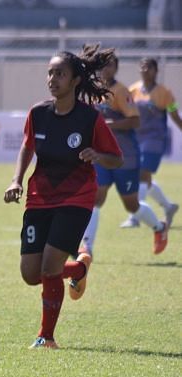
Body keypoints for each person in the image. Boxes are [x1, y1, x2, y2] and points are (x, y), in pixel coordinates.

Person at [4, 44, 123, 349]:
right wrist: (16, 180)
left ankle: (47, 337)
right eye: (50, 72)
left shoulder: (89, 119)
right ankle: (79, 268)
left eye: (60, 73)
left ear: (74, 81)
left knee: (48, 267)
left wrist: (97, 154)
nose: (53, 78)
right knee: (31, 274)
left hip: (76, 199)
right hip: (39, 197)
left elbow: (116, 159)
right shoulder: (38, 113)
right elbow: (27, 147)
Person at [80, 53, 168, 256]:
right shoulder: (92, 92)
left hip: (124, 158)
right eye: (103, 66)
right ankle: (87, 249)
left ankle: (159, 228)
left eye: (111, 66)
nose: (106, 70)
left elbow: (135, 121)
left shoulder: (121, 91)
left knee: (132, 206)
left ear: (116, 69)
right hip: (101, 157)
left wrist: (111, 125)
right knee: (95, 199)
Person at [120, 57, 182, 228]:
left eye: (149, 67)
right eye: (142, 67)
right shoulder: (132, 90)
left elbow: (173, 114)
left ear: (156, 71)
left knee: (141, 174)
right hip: (136, 139)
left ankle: (134, 217)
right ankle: (168, 207)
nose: (145, 70)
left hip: (155, 139)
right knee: (144, 179)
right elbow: (126, 112)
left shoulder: (165, 93)